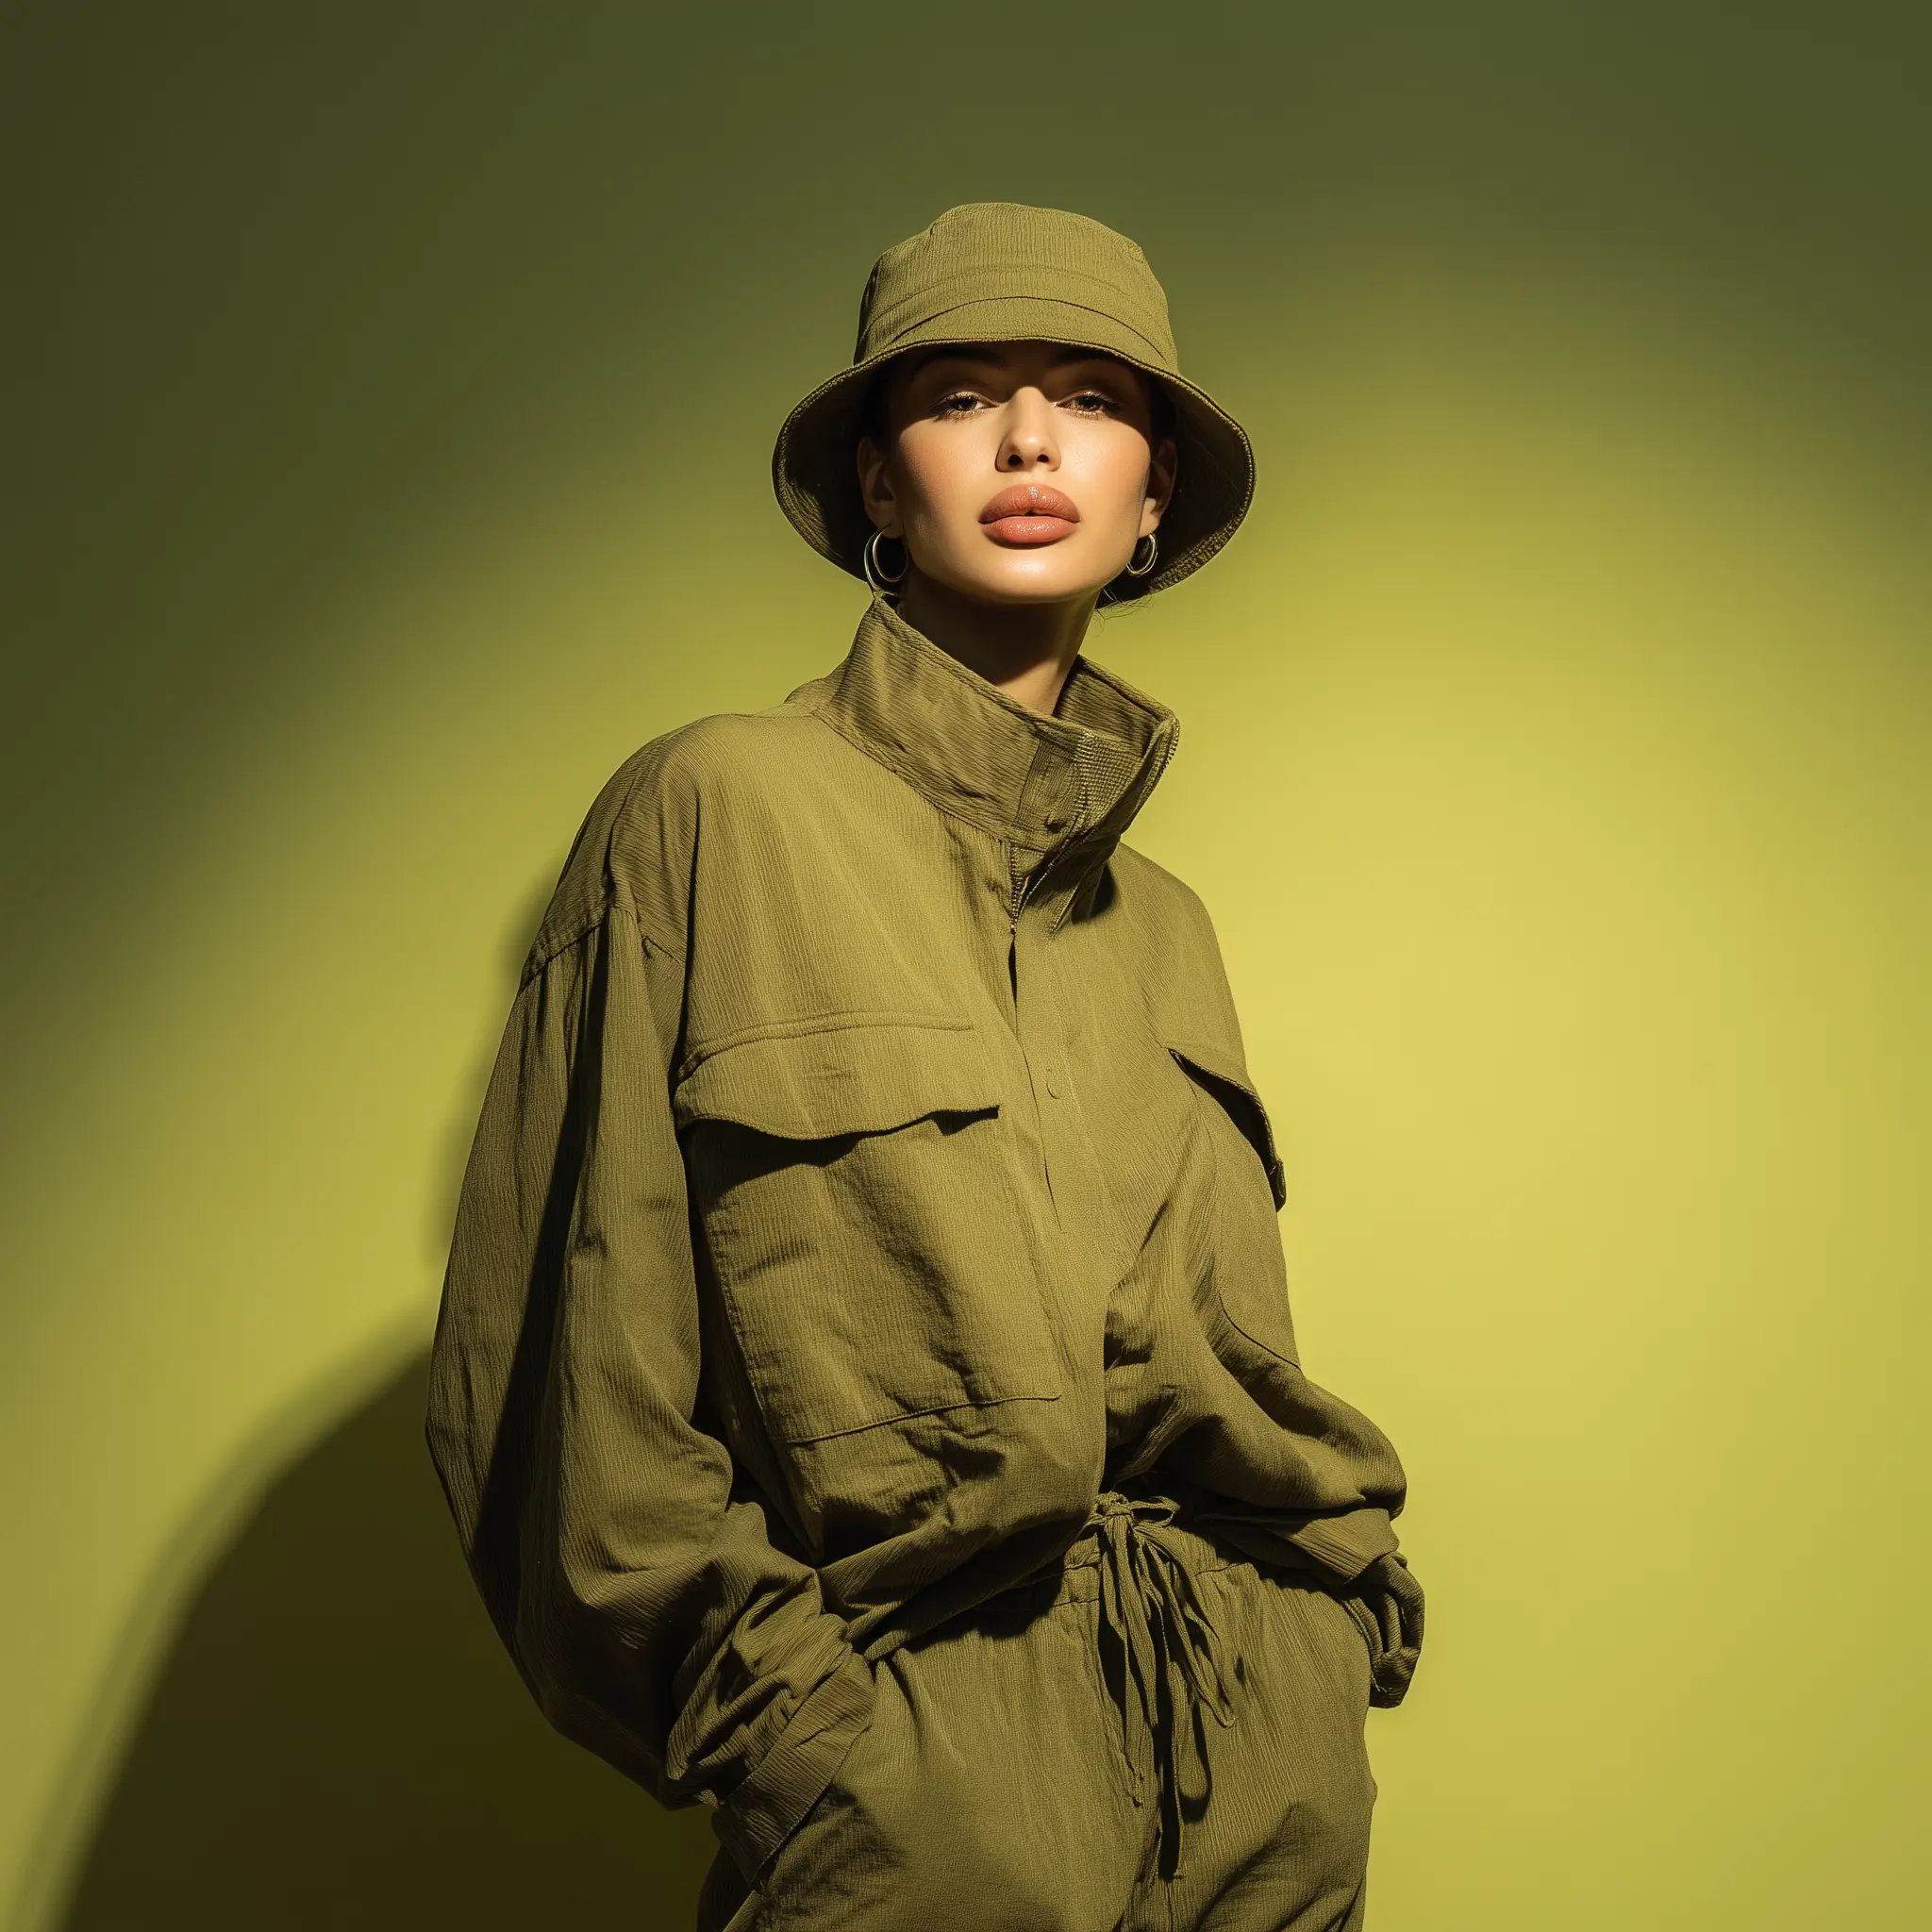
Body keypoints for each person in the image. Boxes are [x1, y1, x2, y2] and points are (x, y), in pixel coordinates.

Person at [426, 202, 1424, 1932]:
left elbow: (1228, 1374)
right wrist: (813, 1747)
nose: (1032, 439)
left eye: (1094, 400)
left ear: (1155, 487)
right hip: (923, 1813)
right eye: (964, 397)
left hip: (1263, 1787)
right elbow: (558, 1391)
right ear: (879, 485)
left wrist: (1325, 1650)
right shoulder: (716, 809)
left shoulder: (1168, 927)